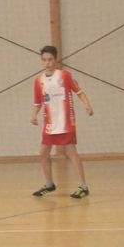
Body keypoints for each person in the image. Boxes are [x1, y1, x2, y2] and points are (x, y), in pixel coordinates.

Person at [30, 45, 94, 199]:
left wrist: (87, 105)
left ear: (56, 60)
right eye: (44, 60)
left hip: (65, 122)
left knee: (71, 152)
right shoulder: (38, 81)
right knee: (43, 152)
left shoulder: (65, 76)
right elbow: (38, 102)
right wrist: (34, 115)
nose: (47, 63)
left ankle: (83, 186)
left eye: (50, 59)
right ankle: (49, 184)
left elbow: (79, 92)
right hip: (49, 123)